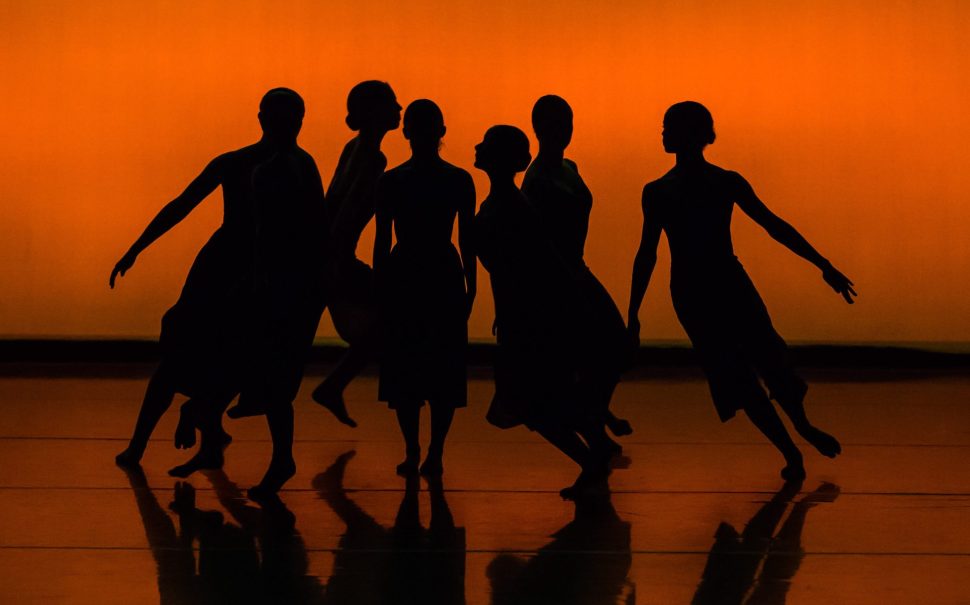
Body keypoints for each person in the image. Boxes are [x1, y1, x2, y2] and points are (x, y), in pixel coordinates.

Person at [627, 101, 855, 481]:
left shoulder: (690, 187)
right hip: (712, 287)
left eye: (668, 127)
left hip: (708, 287)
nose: (663, 133)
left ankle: (797, 435)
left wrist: (823, 264)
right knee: (749, 369)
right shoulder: (685, 187)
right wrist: (632, 312)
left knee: (762, 362)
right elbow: (646, 253)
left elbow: (773, 226)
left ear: (690, 134)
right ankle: (792, 445)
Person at [110, 88, 309, 473]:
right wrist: (137, 247)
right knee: (196, 357)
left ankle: (190, 435)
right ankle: (156, 441)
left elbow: (183, 204)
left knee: (230, 358)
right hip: (227, 269)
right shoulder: (250, 164)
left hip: (249, 271)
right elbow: (182, 204)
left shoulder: (286, 166)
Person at [474, 125, 611, 499]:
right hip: (524, 315)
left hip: (529, 317)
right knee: (541, 398)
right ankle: (593, 453)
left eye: (486, 145)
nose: (477, 147)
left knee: (533, 402)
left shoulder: (513, 207)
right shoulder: (509, 204)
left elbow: (537, 264)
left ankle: (592, 458)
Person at [373, 99, 476, 477]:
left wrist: (379, 285)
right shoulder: (458, 180)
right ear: (442, 132)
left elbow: (383, 240)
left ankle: (415, 449)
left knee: (407, 369)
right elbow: (467, 239)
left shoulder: (392, 181)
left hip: (406, 272)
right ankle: (434, 451)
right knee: (442, 369)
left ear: (406, 132)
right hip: (443, 272)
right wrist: (472, 284)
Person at [523, 94, 633, 447]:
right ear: (539, 129)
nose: (564, 131)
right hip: (557, 279)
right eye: (556, 125)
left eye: (567, 124)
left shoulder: (570, 168)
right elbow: (533, 241)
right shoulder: (537, 180)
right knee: (595, 350)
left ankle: (596, 417)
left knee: (613, 345)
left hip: (576, 271)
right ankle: (593, 423)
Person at [309, 80, 402, 428]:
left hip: (329, 254)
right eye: (393, 103)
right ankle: (334, 385)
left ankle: (333, 385)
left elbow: (332, 203)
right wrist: (335, 263)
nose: (399, 108)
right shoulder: (374, 158)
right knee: (388, 327)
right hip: (337, 257)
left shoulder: (354, 147)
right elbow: (346, 211)